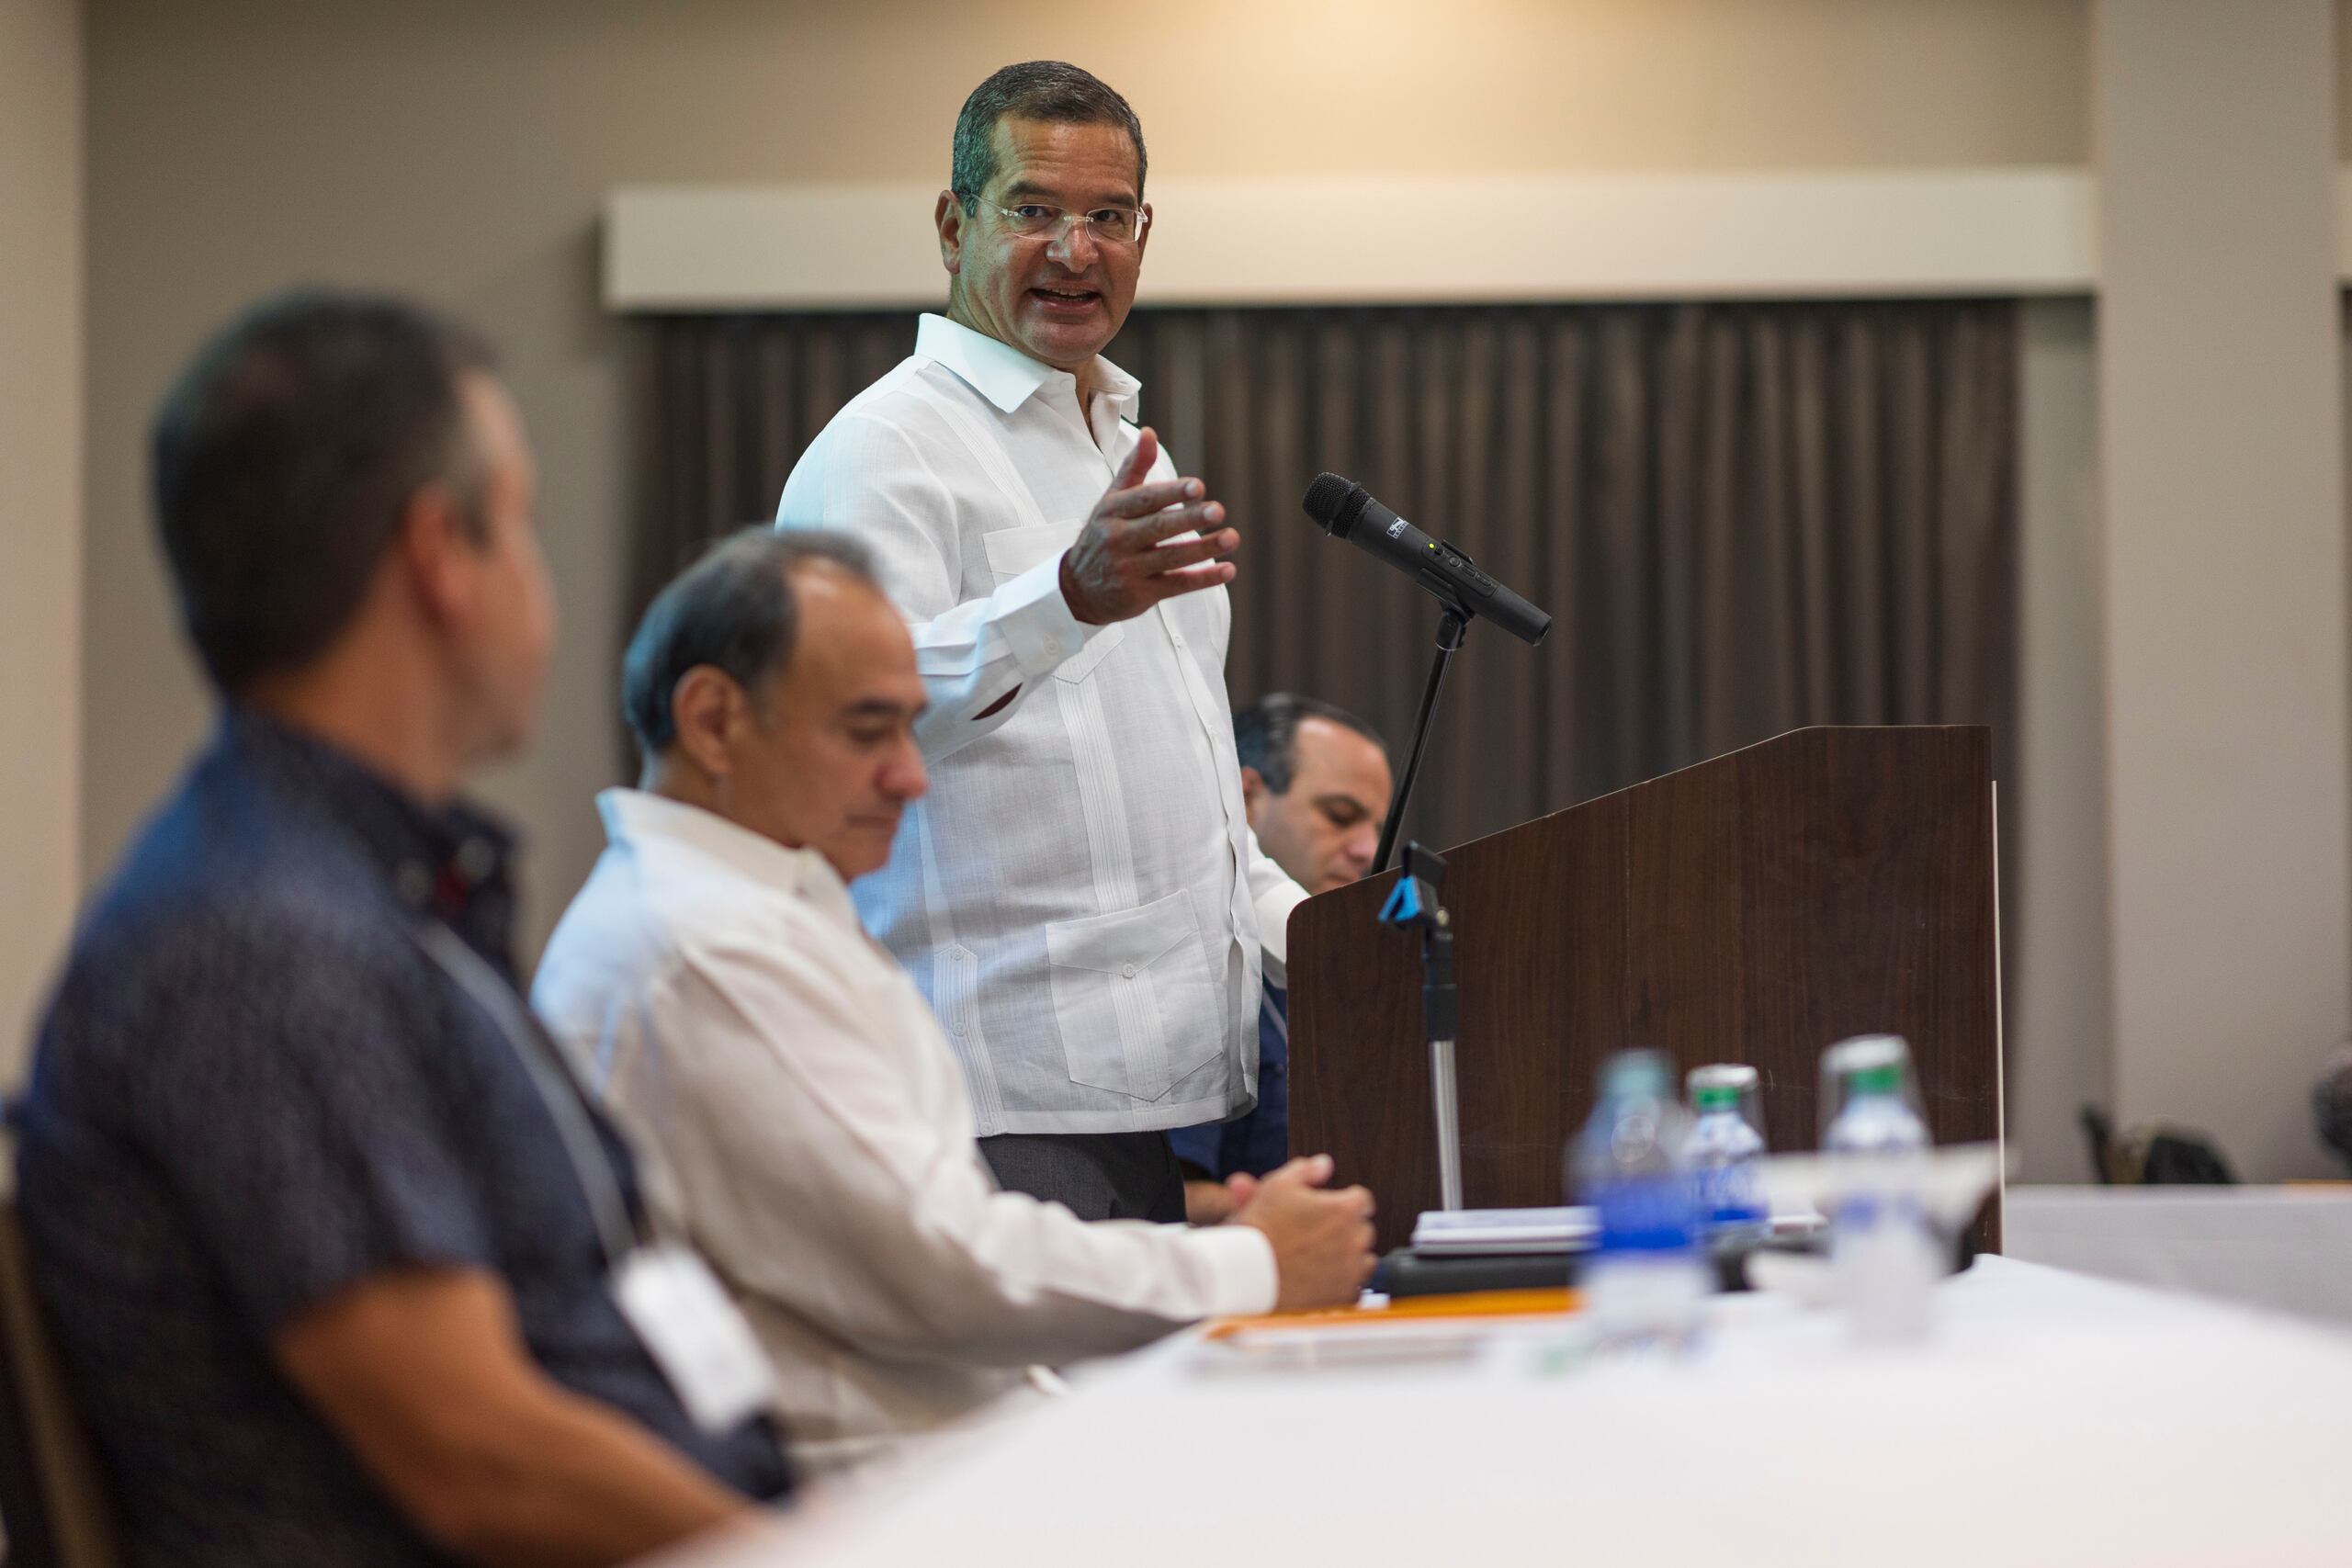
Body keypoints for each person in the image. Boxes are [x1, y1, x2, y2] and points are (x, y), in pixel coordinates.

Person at [12, 292, 792, 1568]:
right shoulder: (262, 942)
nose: (540, 577)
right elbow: (479, 1456)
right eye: (523, 524)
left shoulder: (360, 890)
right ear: (440, 552)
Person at [532, 531, 1377, 1473]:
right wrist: (1254, 1265)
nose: (911, 774)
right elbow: (938, 1265)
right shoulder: (702, 944)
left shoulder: (754, 912)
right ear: (713, 720)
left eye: (907, 727)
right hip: (853, 1495)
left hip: (935, 1447)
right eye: (866, 731)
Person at [776, 61, 1306, 1223]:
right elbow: (843, 720)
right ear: (953, 224)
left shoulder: (1134, 454)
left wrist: (1319, 942)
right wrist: (1062, 598)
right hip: (992, 1097)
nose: (1076, 250)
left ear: (1144, 234)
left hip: (1149, 1097)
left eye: (1108, 218)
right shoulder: (883, 451)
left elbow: (1196, 796)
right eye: (1032, 211)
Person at [1173, 694, 1395, 1224]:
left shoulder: (1350, 969)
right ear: (1247, 798)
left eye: (1377, 828)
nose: (1367, 849)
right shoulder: (1197, 970)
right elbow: (1162, 1203)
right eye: (1341, 816)